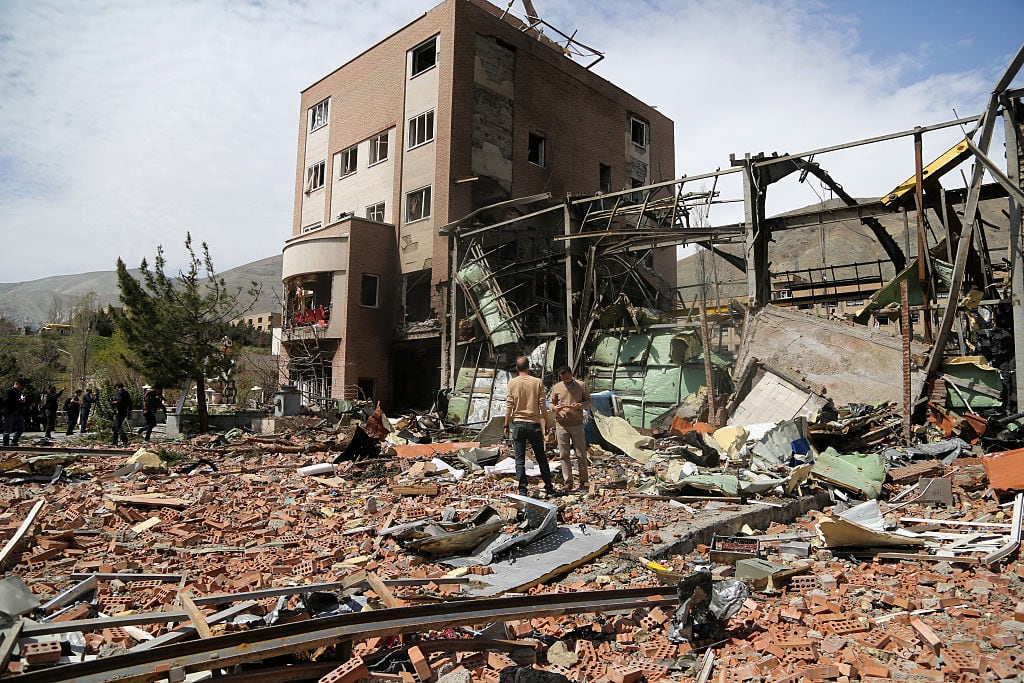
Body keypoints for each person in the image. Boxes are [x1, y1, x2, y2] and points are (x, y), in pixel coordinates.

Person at [503, 355, 557, 498]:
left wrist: (506, 424)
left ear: (516, 368)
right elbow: (542, 406)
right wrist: (546, 423)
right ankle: (549, 487)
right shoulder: (537, 382)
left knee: (519, 459)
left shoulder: (512, 383)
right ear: (529, 367)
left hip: (519, 424)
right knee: (541, 456)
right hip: (534, 424)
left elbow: (509, 405)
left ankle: (522, 490)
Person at [549, 365, 592, 492]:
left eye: (568, 378)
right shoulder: (556, 387)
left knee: (581, 454)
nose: (566, 381)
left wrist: (579, 405)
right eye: (563, 379)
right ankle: (568, 481)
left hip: (577, 424)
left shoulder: (581, 385)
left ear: (571, 375)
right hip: (561, 424)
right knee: (564, 455)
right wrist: (554, 408)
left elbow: (589, 401)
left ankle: (584, 481)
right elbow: (551, 403)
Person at [3, 379, 27, 447]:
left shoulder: (20, 393)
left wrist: (23, 402)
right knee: (8, 429)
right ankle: (6, 444)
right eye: (20, 386)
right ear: (16, 384)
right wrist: (17, 401)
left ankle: (14, 441)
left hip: (19, 413)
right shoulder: (9, 391)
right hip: (10, 413)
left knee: (21, 428)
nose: (21, 388)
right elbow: (6, 400)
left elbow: (21, 402)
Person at [110, 382, 132, 446]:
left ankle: (125, 441)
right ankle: (114, 441)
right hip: (124, 411)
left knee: (118, 426)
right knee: (114, 427)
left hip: (119, 412)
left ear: (117, 387)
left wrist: (112, 402)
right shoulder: (126, 392)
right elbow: (130, 402)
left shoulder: (119, 393)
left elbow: (119, 401)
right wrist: (129, 410)